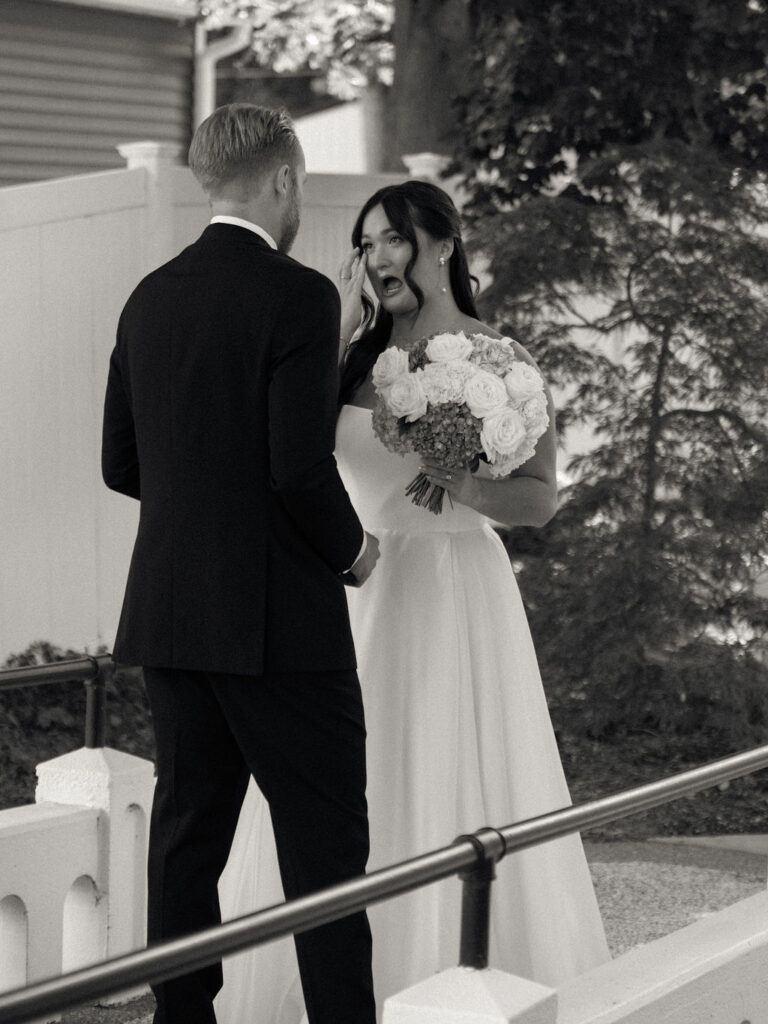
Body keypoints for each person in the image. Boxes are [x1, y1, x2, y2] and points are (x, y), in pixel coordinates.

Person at [215, 180, 610, 1024]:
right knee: (343, 782)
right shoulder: (348, 360)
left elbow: (541, 499)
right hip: (359, 591)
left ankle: (463, 977)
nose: (375, 258)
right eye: (365, 244)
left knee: (457, 769)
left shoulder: (503, 361)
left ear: (444, 244)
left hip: (460, 593)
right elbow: (289, 459)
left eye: (392, 238)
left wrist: (461, 478)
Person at [101, 103, 380, 1024]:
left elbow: (121, 464)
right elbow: (298, 467)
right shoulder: (297, 296)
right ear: (286, 178)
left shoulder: (148, 296)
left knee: (187, 838)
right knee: (324, 847)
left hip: (171, 615)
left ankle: (182, 1020)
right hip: (280, 622)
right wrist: (355, 550)